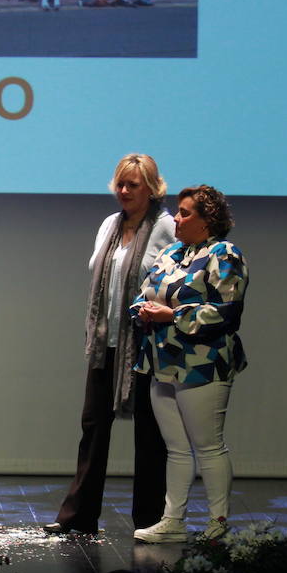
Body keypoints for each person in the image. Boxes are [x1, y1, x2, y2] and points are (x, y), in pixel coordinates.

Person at [44, 153, 174, 535]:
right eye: (120, 183)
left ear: (151, 188)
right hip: (106, 343)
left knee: (149, 437)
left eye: (133, 185)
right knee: (93, 428)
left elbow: (170, 281)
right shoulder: (109, 226)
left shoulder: (165, 227)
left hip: (146, 344)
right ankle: (79, 516)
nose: (124, 191)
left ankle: (149, 519)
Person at [131, 185, 248, 542]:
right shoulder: (171, 252)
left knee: (208, 445)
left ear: (208, 219)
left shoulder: (224, 254)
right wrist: (142, 310)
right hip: (161, 361)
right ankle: (173, 520)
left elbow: (224, 312)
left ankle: (218, 522)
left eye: (185, 213)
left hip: (203, 364)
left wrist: (172, 315)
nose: (177, 219)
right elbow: (144, 292)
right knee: (177, 448)